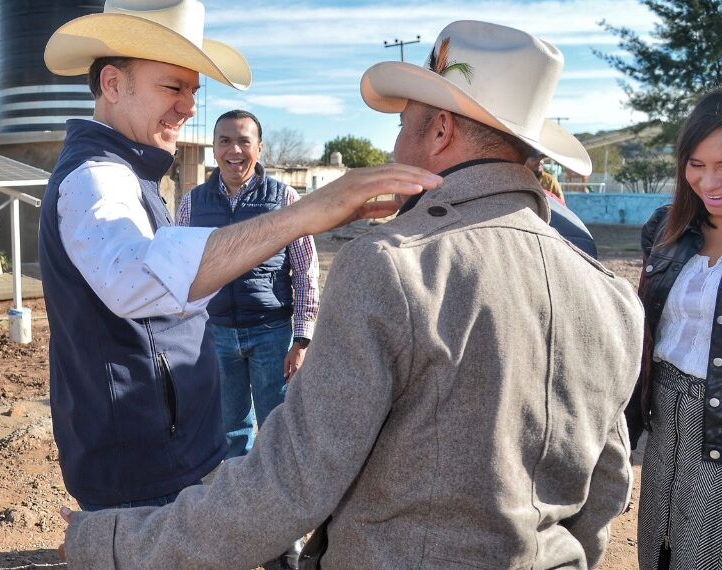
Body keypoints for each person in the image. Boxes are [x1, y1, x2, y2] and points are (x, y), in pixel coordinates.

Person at [57, 20, 643, 569]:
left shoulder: (395, 268)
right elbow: (605, 491)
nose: (392, 144)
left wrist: (107, 542)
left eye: (401, 123)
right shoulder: (613, 298)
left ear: (439, 132)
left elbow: (288, 486)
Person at [39, 0, 440, 520]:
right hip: (143, 461)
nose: (188, 106)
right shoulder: (97, 177)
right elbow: (137, 278)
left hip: (161, 447)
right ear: (113, 85)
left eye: (192, 92)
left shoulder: (129, 172)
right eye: (173, 87)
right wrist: (306, 214)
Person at [177, 109, 320, 460]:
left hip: (272, 335)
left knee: (279, 428)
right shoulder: (192, 204)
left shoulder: (284, 199)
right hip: (216, 335)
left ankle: (285, 504)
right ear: (214, 149)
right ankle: (243, 503)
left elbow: (305, 271)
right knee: (231, 429)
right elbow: (179, 272)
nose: (234, 151)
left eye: (244, 141)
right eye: (225, 141)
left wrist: (302, 338)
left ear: (260, 148)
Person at [631, 88, 722, 569]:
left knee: (705, 554)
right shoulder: (666, 229)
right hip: (663, 416)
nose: (709, 181)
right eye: (696, 164)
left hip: (718, 420)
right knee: (659, 547)